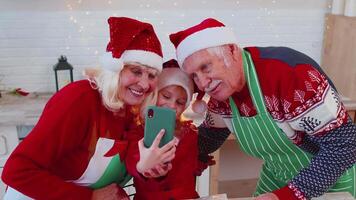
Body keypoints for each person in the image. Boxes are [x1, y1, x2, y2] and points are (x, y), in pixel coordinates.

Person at [168, 18, 356, 200]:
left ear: (231, 50)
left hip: (331, 176)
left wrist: (289, 195)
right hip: (277, 174)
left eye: (206, 67)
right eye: (194, 76)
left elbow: (344, 145)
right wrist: (177, 155)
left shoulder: (291, 76)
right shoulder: (222, 91)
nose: (202, 84)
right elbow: (210, 136)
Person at [1, 16, 177, 200]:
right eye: (136, 71)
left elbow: (131, 155)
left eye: (152, 75)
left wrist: (148, 167)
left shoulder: (131, 109)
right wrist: (90, 197)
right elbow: (17, 170)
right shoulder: (80, 99)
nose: (144, 83)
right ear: (115, 68)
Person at [125, 59, 211, 199]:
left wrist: (199, 162)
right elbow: (133, 163)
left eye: (180, 102)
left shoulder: (190, 133)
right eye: (166, 96)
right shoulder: (138, 131)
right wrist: (144, 166)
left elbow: (188, 168)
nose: (172, 106)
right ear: (153, 94)